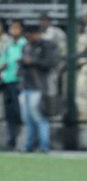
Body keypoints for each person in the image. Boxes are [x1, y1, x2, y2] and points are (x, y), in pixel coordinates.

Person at [18, 24, 55, 152]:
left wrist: (32, 61)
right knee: (27, 118)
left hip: (38, 86)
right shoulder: (25, 46)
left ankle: (44, 145)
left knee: (39, 117)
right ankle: (29, 145)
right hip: (25, 86)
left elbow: (50, 63)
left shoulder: (46, 46)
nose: (31, 36)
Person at [0, 19, 25, 149]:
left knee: (19, 112)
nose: (13, 31)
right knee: (9, 113)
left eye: (16, 28)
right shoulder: (9, 45)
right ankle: (12, 140)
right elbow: (3, 60)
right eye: (12, 28)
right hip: (7, 81)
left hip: (19, 83)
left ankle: (24, 140)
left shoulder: (24, 44)